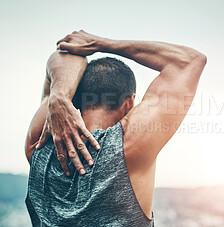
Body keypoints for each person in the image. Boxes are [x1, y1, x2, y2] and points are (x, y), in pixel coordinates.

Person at [24, 30, 206, 226]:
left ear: (75, 99)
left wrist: (59, 95)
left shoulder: (40, 146)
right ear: (129, 103)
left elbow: (64, 55)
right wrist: (101, 43)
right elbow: (190, 60)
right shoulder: (129, 146)